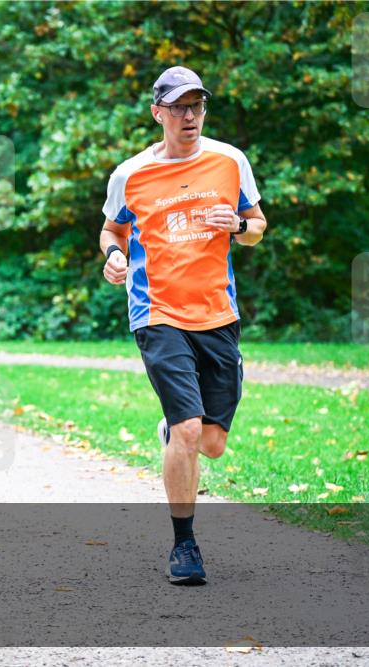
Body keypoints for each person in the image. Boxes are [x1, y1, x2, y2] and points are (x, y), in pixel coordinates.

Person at [99, 66, 267, 585]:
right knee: (191, 430)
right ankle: (184, 545)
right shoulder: (130, 175)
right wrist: (114, 256)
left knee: (211, 442)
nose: (189, 116)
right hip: (158, 312)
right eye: (178, 107)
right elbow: (112, 230)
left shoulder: (230, 161)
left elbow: (258, 227)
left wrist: (239, 225)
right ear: (158, 113)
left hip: (218, 313)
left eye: (196, 105)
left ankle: (174, 428)